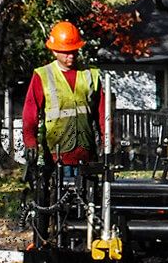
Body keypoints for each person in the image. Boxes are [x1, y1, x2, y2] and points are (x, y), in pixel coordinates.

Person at [22, 21, 106, 182]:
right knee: (60, 193)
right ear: (54, 51)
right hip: (57, 154)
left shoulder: (90, 75)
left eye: (74, 51)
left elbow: (102, 112)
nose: (71, 55)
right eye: (66, 52)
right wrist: (30, 142)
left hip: (86, 153)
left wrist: (107, 140)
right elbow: (30, 113)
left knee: (88, 193)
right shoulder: (43, 75)